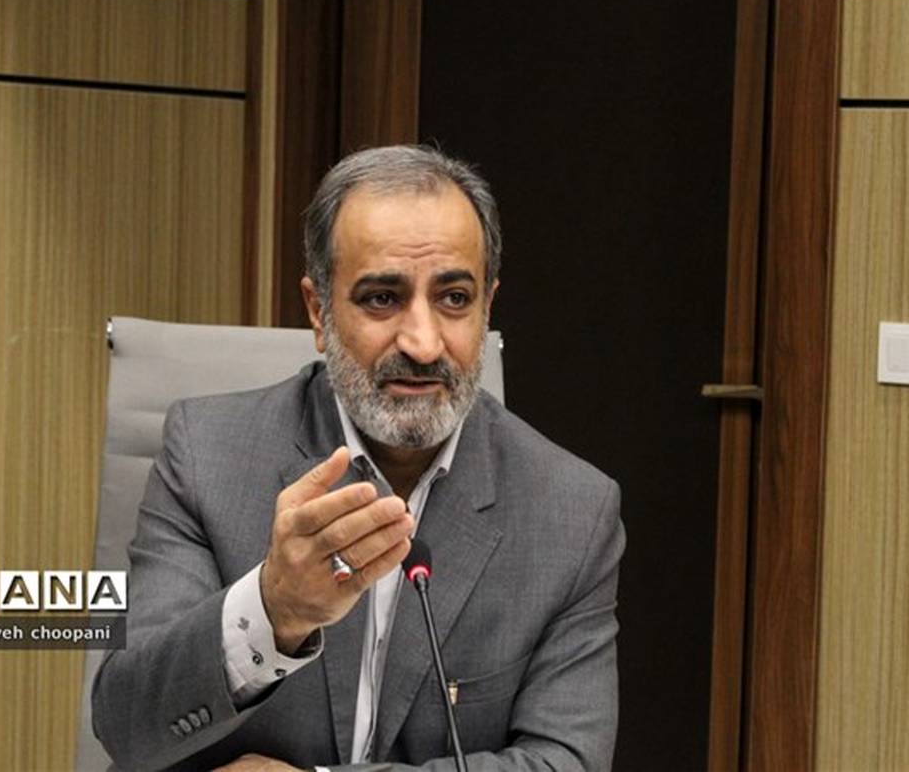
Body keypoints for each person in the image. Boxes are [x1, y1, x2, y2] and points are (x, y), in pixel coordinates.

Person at [92, 146, 625, 771]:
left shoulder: (572, 511)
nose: (422, 343)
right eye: (381, 299)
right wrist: (274, 609)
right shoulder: (205, 455)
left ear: (487, 308)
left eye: (455, 298)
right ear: (319, 312)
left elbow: (567, 762)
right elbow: (126, 724)